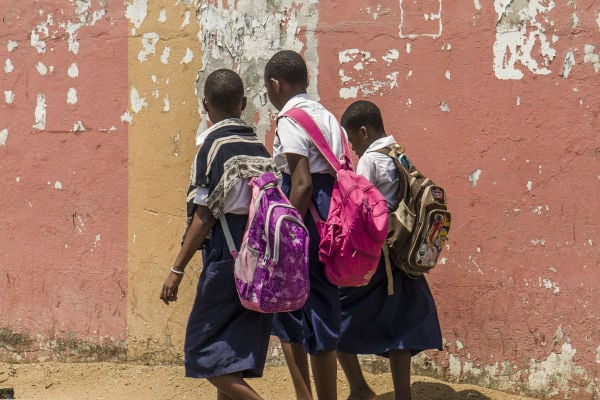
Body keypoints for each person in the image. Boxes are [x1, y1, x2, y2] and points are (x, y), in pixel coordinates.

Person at [160, 69, 278, 400]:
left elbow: (205, 214)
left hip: (226, 261)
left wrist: (177, 268)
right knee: (231, 356)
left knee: (200, 351)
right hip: (260, 259)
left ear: (204, 106)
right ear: (242, 103)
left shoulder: (212, 147)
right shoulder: (258, 147)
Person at [337, 100, 443, 400]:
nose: (354, 148)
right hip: (401, 256)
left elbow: (360, 209)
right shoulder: (397, 151)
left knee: (334, 314)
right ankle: (402, 395)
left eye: (353, 140)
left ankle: (358, 387)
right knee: (400, 328)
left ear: (363, 131)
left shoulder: (370, 159)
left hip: (377, 259)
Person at [264, 50, 345, 400]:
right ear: (306, 80)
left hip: (303, 222)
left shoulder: (290, 119)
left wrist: (282, 236)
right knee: (322, 311)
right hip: (330, 221)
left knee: (287, 310)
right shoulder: (327, 117)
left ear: (274, 84)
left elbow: (301, 183)